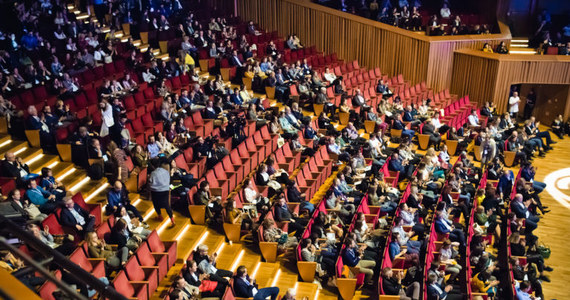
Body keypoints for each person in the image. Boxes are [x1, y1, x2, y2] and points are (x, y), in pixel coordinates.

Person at [149, 160, 174, 225]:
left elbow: (151, 182)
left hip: (156, 191)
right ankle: (172, 219)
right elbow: (169, 179)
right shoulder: (165, 171)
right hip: (165, 190)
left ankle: (160, 216)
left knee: (155, 204)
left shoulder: (153, 173)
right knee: (166, 205)